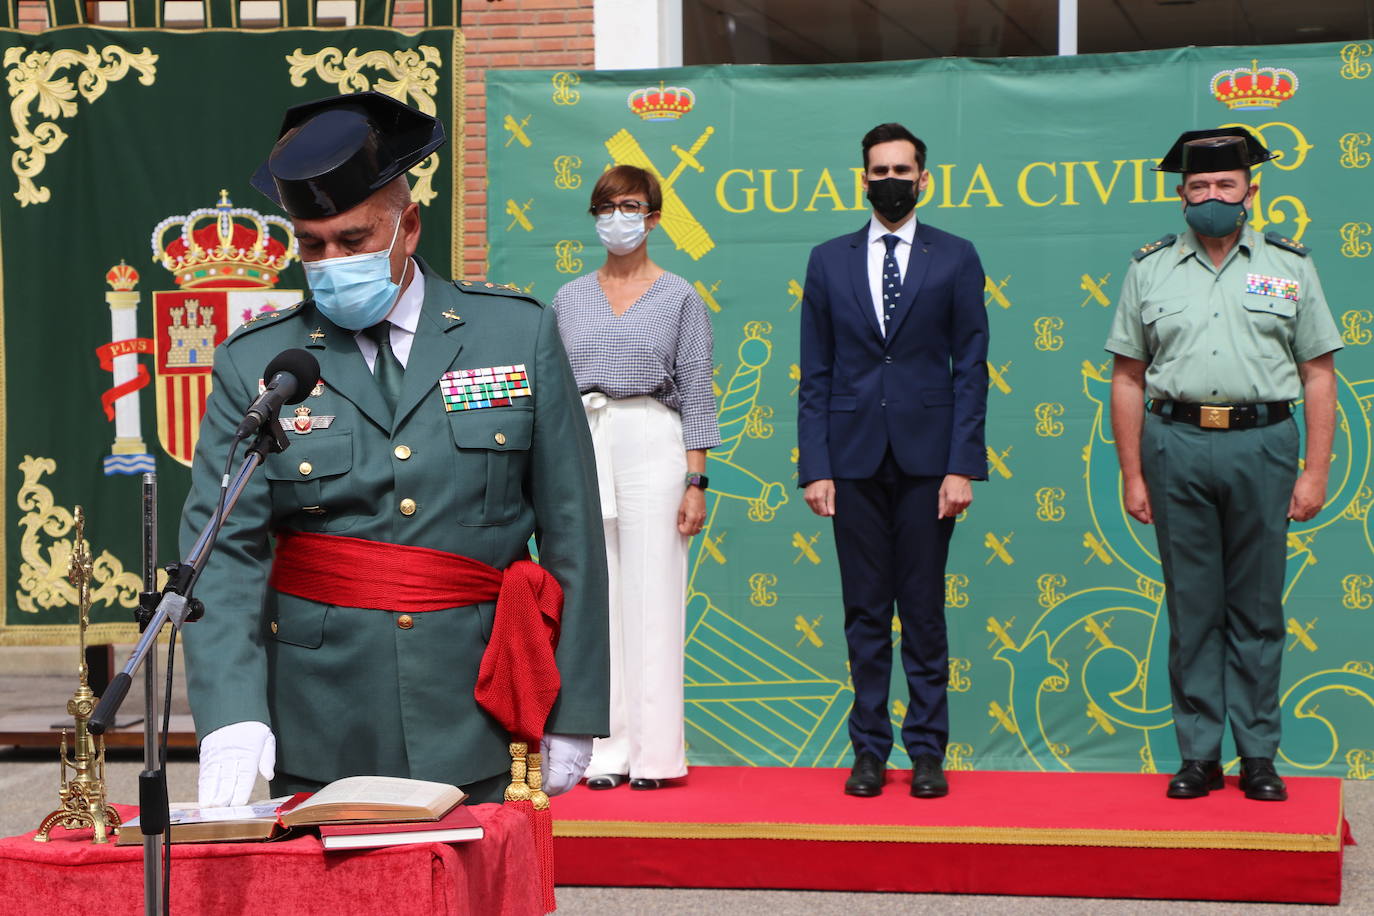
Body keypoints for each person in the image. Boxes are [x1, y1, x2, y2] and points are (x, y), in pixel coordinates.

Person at [181, 92, 609, 807]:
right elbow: (224, 552)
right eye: (312, 246)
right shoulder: (259, 363)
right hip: (321, 715)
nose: (330, 262)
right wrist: (229, 713)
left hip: (479, 707)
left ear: (407, 226)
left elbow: (572, 535)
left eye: (352, 242)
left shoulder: (514, 335)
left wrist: (576, 709)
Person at [1105, 128, 1342, 801]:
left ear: (1250, 192)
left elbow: (1319, 375)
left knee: (1259, 608)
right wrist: (1132, 472)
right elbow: (1127, 378)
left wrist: (1315, 471)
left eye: (1225, 186)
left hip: (1264, 444)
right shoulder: (1149, 269)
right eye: (1200, 186)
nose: (1213, 196)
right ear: (1182, 194)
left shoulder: (1291, 266)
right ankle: (1200, 756)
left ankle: (1259, 755)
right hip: (1173, 444)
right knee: (1193, 606)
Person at [797, 123, 989, 799]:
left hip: (930, 463)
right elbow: (814, 372)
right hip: (849, 463)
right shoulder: (829, 260)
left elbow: (971, 369)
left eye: (902, 170)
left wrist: (963, 464)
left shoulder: (957, 257)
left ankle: (929, 751)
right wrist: (815, 465)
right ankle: (870, 751)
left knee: (924, 611)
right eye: (879, 171)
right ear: (863, 179)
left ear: (923, 180)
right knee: (865, 613)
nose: (891, 181)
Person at [550, 165, 720, 791]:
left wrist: (697, 481)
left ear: (652, 217)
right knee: (600, 600)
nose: (616, 218)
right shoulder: (569, 298)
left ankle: (655, 756)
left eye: (629, 206)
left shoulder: (679, 296)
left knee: (654, 598)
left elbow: (698, 390)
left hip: (655, 438)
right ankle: (606, 749)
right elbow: (555, 390)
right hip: (585, 442)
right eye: (606, 207)